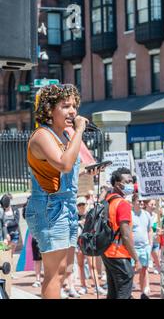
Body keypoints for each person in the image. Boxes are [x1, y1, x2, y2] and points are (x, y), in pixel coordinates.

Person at [24, 84, 97, 299]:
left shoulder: (65, 136)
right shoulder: (42, 136)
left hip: (67, 205)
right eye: (65, 106)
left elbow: (67, 171)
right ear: (49, 109)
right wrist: (79, 130)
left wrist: (87, 172)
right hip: (49, 207)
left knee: (65, 269)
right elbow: (64, 164)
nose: (72, 111)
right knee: (54, 274)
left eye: (74, 106)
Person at [102, 168, 142, 299]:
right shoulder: (123, 203)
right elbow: (125, 235)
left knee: (113, 293)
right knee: (123, 294)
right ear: (118, 184)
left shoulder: (108, 200)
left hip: (107, 252)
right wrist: (136, 258)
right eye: (128, 181)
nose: (132, 184)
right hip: (119, 254)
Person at [76, 196, 107, 296]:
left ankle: (97, 286)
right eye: (79, 205)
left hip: (88, 243)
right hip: (78, 243)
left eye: (83, 204)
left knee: (92, 266)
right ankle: (83, 286)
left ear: (86, 204)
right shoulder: (75, 216)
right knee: (80, 265)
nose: (81, 206)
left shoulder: (90, 214)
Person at [131, 194, 153, 299]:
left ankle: (143, 293)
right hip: (132, 249)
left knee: (143, 271)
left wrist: (150, 244)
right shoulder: (129, 215)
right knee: (130, 271)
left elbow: (150, 230)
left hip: (145, 248)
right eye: (139, 201)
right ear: (133, 202)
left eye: (142, 202)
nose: (141, 203)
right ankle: (128, 292)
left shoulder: (147, 215)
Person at [0, 194, 20, 270]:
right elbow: (3, 224)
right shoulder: (2, 210)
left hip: (13, 234)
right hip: (6, 235)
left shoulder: (14, 209)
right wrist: (6, 235)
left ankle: (10, 271)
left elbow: (16, 221)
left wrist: (7, 224)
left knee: (10, 253)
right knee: (6, 253)